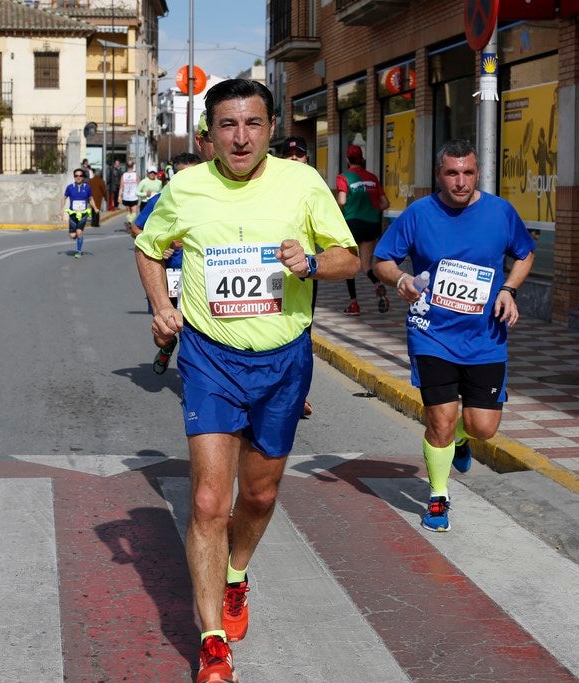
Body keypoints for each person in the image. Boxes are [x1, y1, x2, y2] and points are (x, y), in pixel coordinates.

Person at [134, 78, 359, 683]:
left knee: (257, 496)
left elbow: (350, 256)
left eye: (252, 124)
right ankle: (211, 644)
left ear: (270, 129)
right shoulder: (185, 187)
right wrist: (161, 306)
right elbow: (149, 249)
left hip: (283, 360)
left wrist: (310, 262)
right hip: (210, 357)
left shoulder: (302, 183)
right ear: (209, 133)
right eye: (228, 125)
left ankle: (237, 574)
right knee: (210, 500)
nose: (240, 137)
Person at [372, 138, 535, 533]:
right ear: (439, 175)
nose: (460, 182)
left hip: (486, 337)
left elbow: (525, 253)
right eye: (452, 173)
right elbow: (382, 260)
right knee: (440, 421)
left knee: (483, 427)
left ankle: (463, 439)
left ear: (477, 173)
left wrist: (508, 289)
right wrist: (403, 278)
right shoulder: (418, 214)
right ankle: (438, 497)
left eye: (468, 173)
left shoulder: (501, 212)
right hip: (432, 334)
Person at [132, 151, 202, 373]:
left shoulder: (209, 202)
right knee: (164, 334)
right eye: (182, 175)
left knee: (195, 331)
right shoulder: (160, 200)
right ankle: (167, 347)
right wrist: (160, 249)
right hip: (169, 276)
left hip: (197, 277)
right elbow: (137, 228)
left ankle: (195, 376)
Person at [281, 135, 316, 419]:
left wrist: (315, 263)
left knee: (301, 335)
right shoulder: (268, 186)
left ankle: (299, 394)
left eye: (299, 154)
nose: (294, 159)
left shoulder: (315, 187)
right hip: (268, 273)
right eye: (289, 155)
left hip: (303, 274)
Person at [337, 143, 391, 316]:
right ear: (362, 159)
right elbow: (385, 203)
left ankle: (354, 304)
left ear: (347, 159)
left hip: (352, 224)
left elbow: (342, 201)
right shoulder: (373, 178)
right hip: (371, 225)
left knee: (349, 265)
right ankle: (377, 284)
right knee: (367, 265)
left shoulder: (344, 177)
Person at [62, 167, 98, 258]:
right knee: (72, 235)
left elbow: (91, 199)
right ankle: (76, 237)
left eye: (80, 175)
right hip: (73, 214)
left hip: (83, 214)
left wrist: (95, 208)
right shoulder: (70, 187)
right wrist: (61, 209)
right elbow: (64, 198)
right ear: (74, 177)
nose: (78, 177)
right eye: (76, 175)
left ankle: (78, 251)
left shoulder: (87, 188)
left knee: (79, 232)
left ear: (83, 177)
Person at [118, 161, 140, 227]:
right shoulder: (136, 175)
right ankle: (130, 222)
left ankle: (129, 222)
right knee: (134, 212)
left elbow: (121, 187)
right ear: (133, 166)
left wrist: (119, 196)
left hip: (126, 196)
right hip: (134, 196)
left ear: (126, 166)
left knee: (128, 211)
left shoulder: (123, 176)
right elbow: (139, 186)